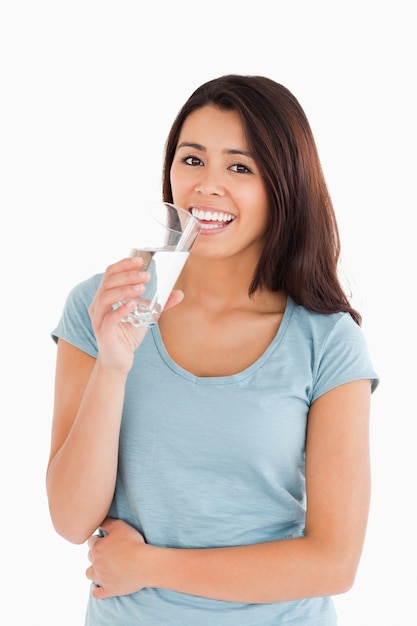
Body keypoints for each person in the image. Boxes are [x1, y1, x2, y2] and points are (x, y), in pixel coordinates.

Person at [47, 74, 379, 625]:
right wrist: (113, 365)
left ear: (284, 186)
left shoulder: (327, 340)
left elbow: (333, 563)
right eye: (193, 159)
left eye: (240, 167)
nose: (206, 186)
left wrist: (150, 566)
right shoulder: (102, 305)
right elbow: (70, 519)